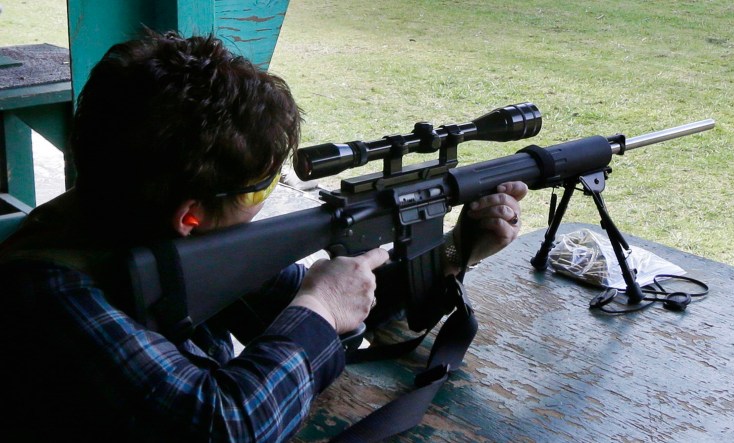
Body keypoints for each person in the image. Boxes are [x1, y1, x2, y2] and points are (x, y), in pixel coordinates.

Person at [0, 30, 527, 442]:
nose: (270, 197)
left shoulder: (127, 222)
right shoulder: (48, 294)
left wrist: (455, 250)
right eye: (263, 186)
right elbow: (226, 426)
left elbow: (309, 304)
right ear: (191, 216)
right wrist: (320, 309)